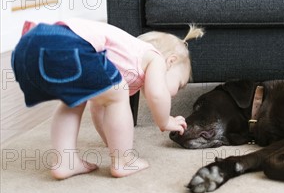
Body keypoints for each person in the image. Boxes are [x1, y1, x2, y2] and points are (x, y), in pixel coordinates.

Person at [11, 19, 204, 179]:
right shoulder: (155, 58)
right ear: (171, 61)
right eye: (179, 84)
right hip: (65, 44)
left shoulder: (117, 62)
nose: (175, 92)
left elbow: (99, 109)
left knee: (75, 101)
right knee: (118, 94)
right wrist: (165, 120)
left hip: (31, 45)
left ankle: (65, 161)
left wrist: (112, 141)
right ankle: (124, 160)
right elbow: (156, 93)